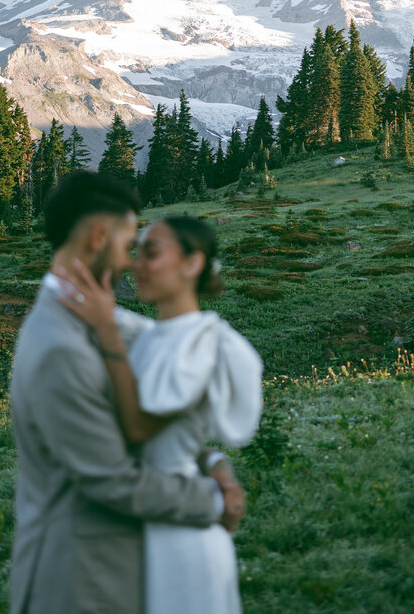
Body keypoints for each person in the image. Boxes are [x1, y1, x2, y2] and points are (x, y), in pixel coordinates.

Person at [9, 172, 246, 614]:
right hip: (83, 580)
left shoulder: (102, 320)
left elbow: (157, 406)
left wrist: (210, 461)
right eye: (126, 245)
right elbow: (110, 478)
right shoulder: (59, 347)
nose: (130, 262)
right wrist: (214, 499)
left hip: (126, 570)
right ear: (98, 237)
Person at [56, 214, 263, 614]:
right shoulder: (151, 336)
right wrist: (215, 461)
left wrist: (107, 332)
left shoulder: (204, 343)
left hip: (181, 535)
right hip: (140, 524)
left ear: (192, 263)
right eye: (137, 252)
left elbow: (138, 429)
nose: (137, 265)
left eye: (151, 252)